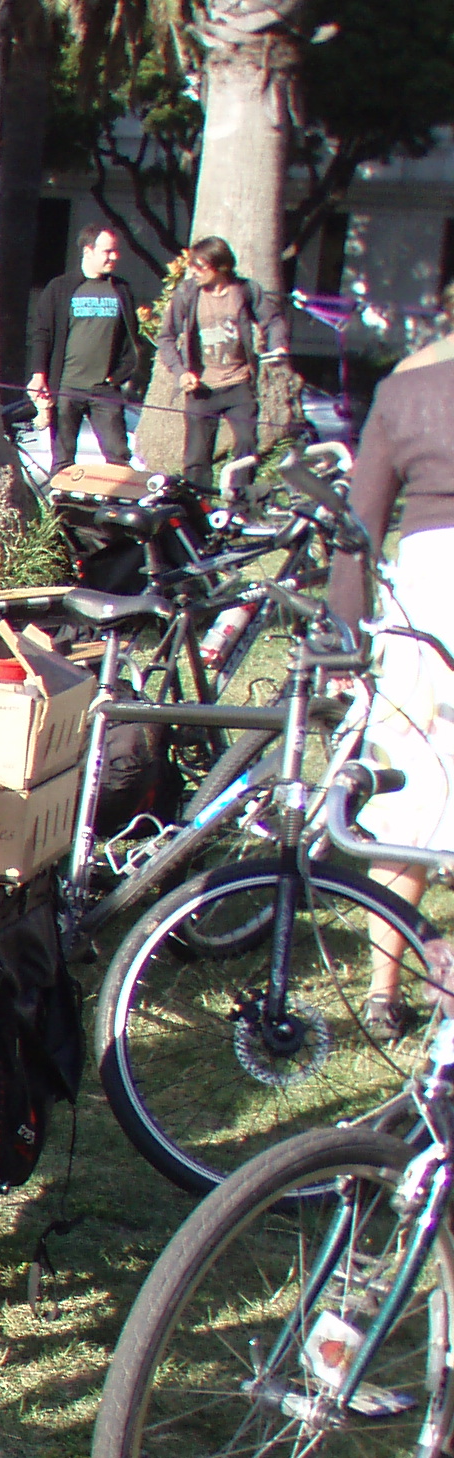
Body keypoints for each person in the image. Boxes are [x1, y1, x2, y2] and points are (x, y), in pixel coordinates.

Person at [328, 299, 454, 1032]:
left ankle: (384, 991)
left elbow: (359, 528)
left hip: (427, 602)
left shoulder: (405, 394)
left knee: (408, 792)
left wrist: (346, 632)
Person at [158, 236, 283, 495]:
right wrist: (181, 373)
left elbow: (274, 320)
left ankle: (240, 506)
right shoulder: (187, 294)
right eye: (192, 265)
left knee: (247, 445)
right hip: (202, 388)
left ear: (221, 267)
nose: (193, 272)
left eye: (200, 267)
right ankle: (198, 511)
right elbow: (166, 338)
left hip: (239, 384)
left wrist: (278, 345)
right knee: (196, 458)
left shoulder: (247, 290)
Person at [28, 224, 143, 472]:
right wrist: (40, 375)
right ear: (88, 250)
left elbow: (130, 339)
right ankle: (65, 508)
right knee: (64, 459)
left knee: (119, 456)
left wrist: (120, 375)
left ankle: (114, 504)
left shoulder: (121, 289)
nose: (114, 257)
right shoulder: (60, 287)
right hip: (66, 387)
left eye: (116, 251)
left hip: (104, 389)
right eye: (107, 251)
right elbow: (42, 333)